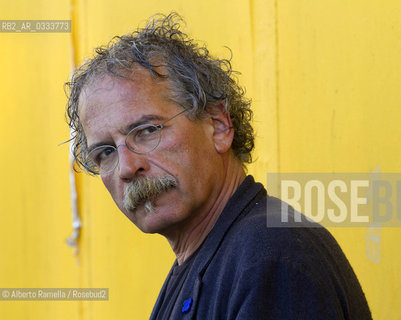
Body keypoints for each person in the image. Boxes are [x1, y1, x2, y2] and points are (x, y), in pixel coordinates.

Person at [65, 12, 372, 320]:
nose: (126, 168)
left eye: (147, 131)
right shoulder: (212, 255)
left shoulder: (271, 257)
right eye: (105, 152)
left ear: (219, 125)